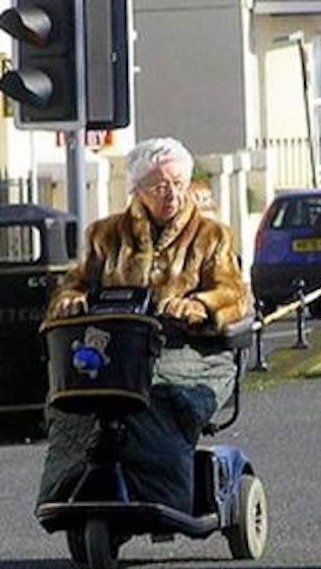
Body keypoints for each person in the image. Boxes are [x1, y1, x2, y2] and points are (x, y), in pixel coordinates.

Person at [38, 137, 248, 514]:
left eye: (179, 184)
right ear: (137, 189)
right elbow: (75, 283)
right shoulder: (105, 235)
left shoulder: (211, 236)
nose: (171, 193)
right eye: (159, 186)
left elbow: (234, 294)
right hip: (118, 354)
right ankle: (66, 492)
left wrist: (200, 304)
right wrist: (68, 299)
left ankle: (163, 499)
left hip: (192, 353)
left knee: (158, 398)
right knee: (72, 401)